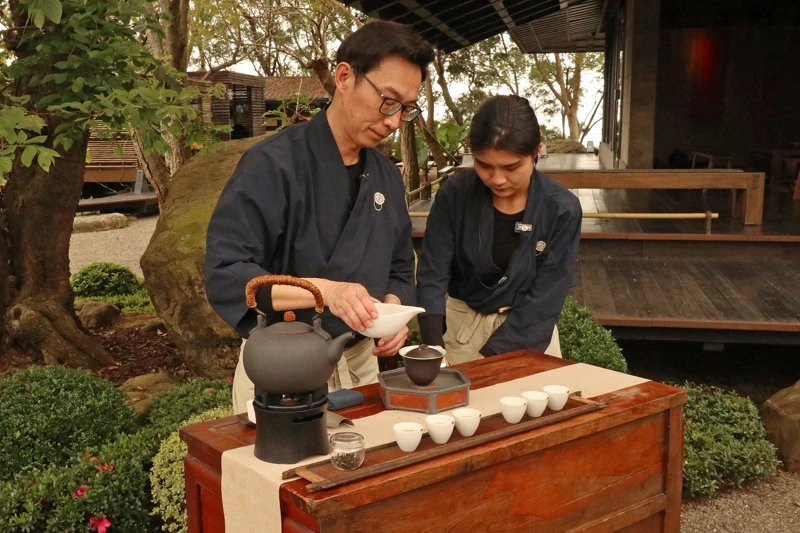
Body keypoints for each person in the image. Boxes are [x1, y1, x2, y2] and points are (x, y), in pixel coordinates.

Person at [204, 21, 435, 414]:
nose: (394, 121)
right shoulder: (272, 164)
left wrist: (393, 312)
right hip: (282, 362)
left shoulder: (385, 175)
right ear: (344, 76)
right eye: (388, 101)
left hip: (360, 362)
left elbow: (399, 264)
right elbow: (227, 273)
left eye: (406, 109)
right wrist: (325, 291)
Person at [415, 95, 582, 365]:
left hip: (530, 331)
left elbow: (546, 297)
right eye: (484, 165)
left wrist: (489, 359)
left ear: (537, 152)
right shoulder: (455, 194)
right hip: (461, 332)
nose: (498, 179)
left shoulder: (561, 209)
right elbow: (432, 272)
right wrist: (433, 345)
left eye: (511, 167)